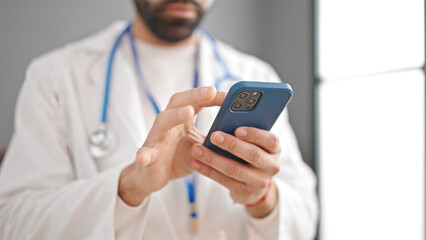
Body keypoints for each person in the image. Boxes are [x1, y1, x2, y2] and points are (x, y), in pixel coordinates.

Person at [0, 0, 318, 239]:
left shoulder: (255, 75)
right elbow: (13, 222)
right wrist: (129, 187)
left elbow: (305, 215)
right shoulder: (55, 77)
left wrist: (263, 198)